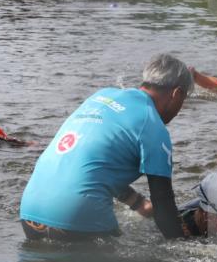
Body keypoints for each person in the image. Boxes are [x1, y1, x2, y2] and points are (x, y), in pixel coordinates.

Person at [19, 54, 197, 241]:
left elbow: (95, 165)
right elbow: (163, 203)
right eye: (184, 99)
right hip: (77, 221)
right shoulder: (153, 125)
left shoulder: (101, 96)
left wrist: (137, 203)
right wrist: (185, 247)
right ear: (176, 93)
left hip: (30, 214)